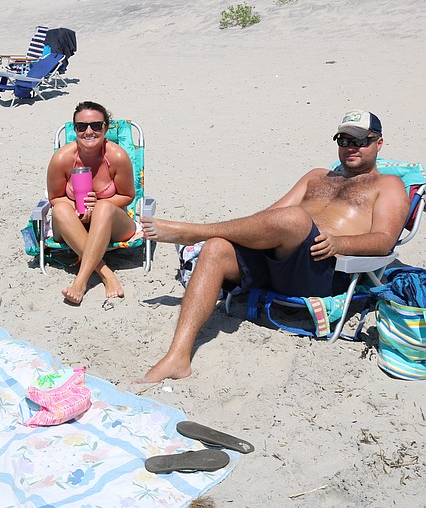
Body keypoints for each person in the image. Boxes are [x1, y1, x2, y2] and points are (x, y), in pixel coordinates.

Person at [138, 110, 411, 383]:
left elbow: (384, 240)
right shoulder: (317, 176)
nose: (351, 147)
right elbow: (269, 216)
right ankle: (178, 356)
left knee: (295, 218)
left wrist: (339, 242)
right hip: (276, 259)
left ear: (379, 143)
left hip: (321, 268)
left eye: (362, 141)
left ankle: (193, 233)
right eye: (344, 139)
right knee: (216, 248)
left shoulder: (388, 185)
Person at [46, 101, 137, 304]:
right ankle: (105, 272)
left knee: (104, 207)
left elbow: (128, 195)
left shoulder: (117, 157)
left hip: (112, 223)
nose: (89, 131)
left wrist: (99, 204)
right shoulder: (61, 158)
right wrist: (77, 208)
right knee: (60, 209)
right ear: (74, 129)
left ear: (105, 127)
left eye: (96, 125)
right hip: (72, 223)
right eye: (81, 126)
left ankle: (80, 282)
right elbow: (55, 198)